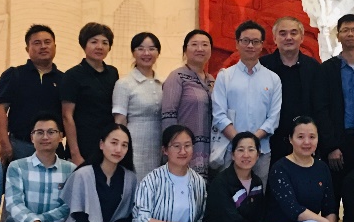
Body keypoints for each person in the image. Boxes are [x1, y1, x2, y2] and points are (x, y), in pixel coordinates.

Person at [213, 20, 282, 180]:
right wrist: (240, 143)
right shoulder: (225, 76)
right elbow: (219, 115)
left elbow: (273, 119)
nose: (250, 45)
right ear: (237, 44)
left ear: (262, 45)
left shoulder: (273, 79)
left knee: (257, 193)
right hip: (230, 150)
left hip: (261, 151)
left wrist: (252, 143)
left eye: (255, 41)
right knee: (228, 192)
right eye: (245, 41)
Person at [260, 16, 332, 163]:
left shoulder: (314, 67)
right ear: (274, 38)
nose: (288, 38)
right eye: (283, 33)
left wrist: (327, 144)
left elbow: (321, 108)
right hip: (270, 142)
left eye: (293, 33)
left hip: (305, 144)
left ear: (302, 38)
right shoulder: (262, 67)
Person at [320, 14, 354, 198]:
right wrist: (330, 146)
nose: (350, 34)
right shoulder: (326, 69)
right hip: (338, 143)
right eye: (345, 30)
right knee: (333, 195)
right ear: (338, 36)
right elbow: (321, 109)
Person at [0, 24, 64, 165]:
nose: (43, 46)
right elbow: (0, 109)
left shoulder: (64, 79)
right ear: (27, 49)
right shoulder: (14, 75)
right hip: (20, 146)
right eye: (37, 43)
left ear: (55, 46)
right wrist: (4, 143)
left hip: (54, 148)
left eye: (47, 42)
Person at [61, 22, 120, 167]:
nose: (99, 47)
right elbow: (67, 116)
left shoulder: (113, 73)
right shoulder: (72, 75)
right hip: (83, 144)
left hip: (107, 143)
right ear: (84, 45)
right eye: (94, 42)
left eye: (105, 43)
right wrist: (75, 153)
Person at [161, 29, 215, 178]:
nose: (200, 49)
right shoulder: (177, 77)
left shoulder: (212, 80)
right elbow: (168, 116)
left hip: (210, 151)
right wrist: (173, 147)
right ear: (185, 50)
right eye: (194, 44)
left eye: (205, 45)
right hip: (183, 151)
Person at [112, 32, 164, 181]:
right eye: (140, 49)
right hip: (135, 145)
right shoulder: (124, 84)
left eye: (152, 49)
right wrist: (121, 148)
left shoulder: (162, 83)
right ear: (133, 53)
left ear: (158, 53)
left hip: (158, 145)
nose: (146, 53)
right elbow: (120, 121)